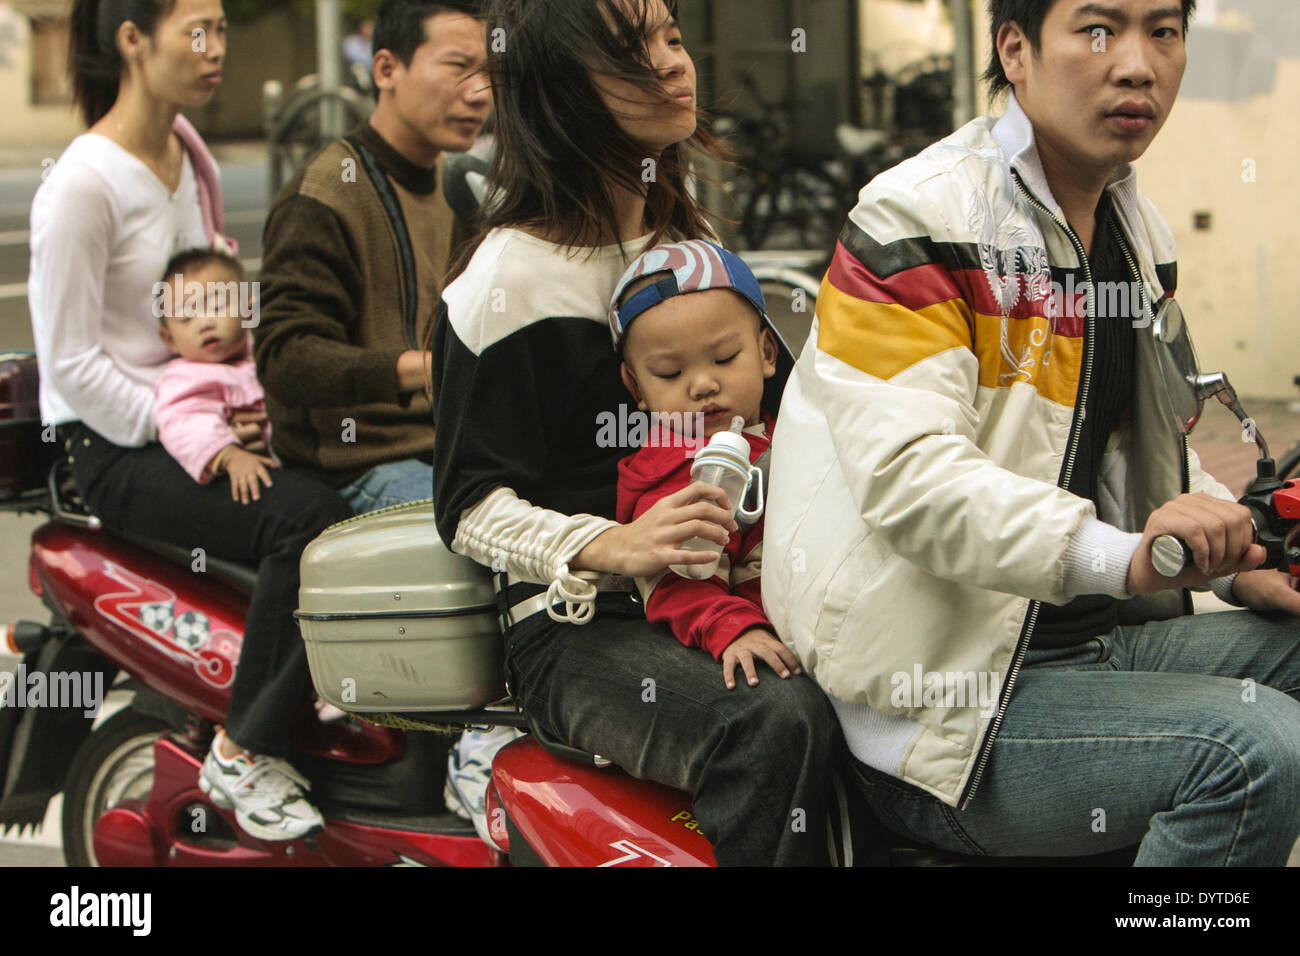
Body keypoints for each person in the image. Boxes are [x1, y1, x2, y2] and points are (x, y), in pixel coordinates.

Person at [763, 0, 1300, 865]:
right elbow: (913, 481)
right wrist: (1122, 559)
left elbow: (1140, 454)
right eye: (1098, 29)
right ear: (1013, 49)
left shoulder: (1135, 232)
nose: (1137, 64)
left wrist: (1242, 569)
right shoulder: (916, 219)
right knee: (1254, 751)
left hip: (1085, 647)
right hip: (945, 706)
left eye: (1164, 32)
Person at [432, 0, 841, 866]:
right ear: (564, 90)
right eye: (635, 50)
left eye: (672, 36)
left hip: (736, 589)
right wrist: (616, 544)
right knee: (775, 716)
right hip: (581, 627)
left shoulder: (688, 243)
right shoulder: (507, 279)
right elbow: (467, 507)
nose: (674, 63)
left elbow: (794, 420)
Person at [29, 0, 354, 842]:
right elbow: (68, 363)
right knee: (305, 519)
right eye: (197, 31)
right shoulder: (82, 184)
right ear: (133, 41)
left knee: (351, 488)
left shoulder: (188, 154)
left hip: (204, 421)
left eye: (220, 29)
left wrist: (241, 416)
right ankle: (243, 749)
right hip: (120, 442)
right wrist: (193, 436)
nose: (217, 50)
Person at [252, 0, 503, 838]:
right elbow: (284, 356)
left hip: (437, 445)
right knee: (475, 539)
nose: (480, 92)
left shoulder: (451, 187)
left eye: (489, 74)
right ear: (386, 68)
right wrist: (415, 370)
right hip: (359, 463)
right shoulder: (327, 191)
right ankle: (475, 753)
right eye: (459, 66)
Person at [610, 238, 804, 692]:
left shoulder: (801, 429)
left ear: (767, 353)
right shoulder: (672, 481)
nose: (702, 384)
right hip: (764, 638)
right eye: (670, 374)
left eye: (724, 358)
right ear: (636, 387)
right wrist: (734, 628)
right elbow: (677, 580)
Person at [154, 248, 279, 503]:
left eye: (217, 306)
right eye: (186, 317)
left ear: (248, 309)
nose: (205, 323)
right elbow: (184, 424)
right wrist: (229, 455)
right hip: (242, 478)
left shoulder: (264, 354)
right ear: (169, 339)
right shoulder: (184, 380)